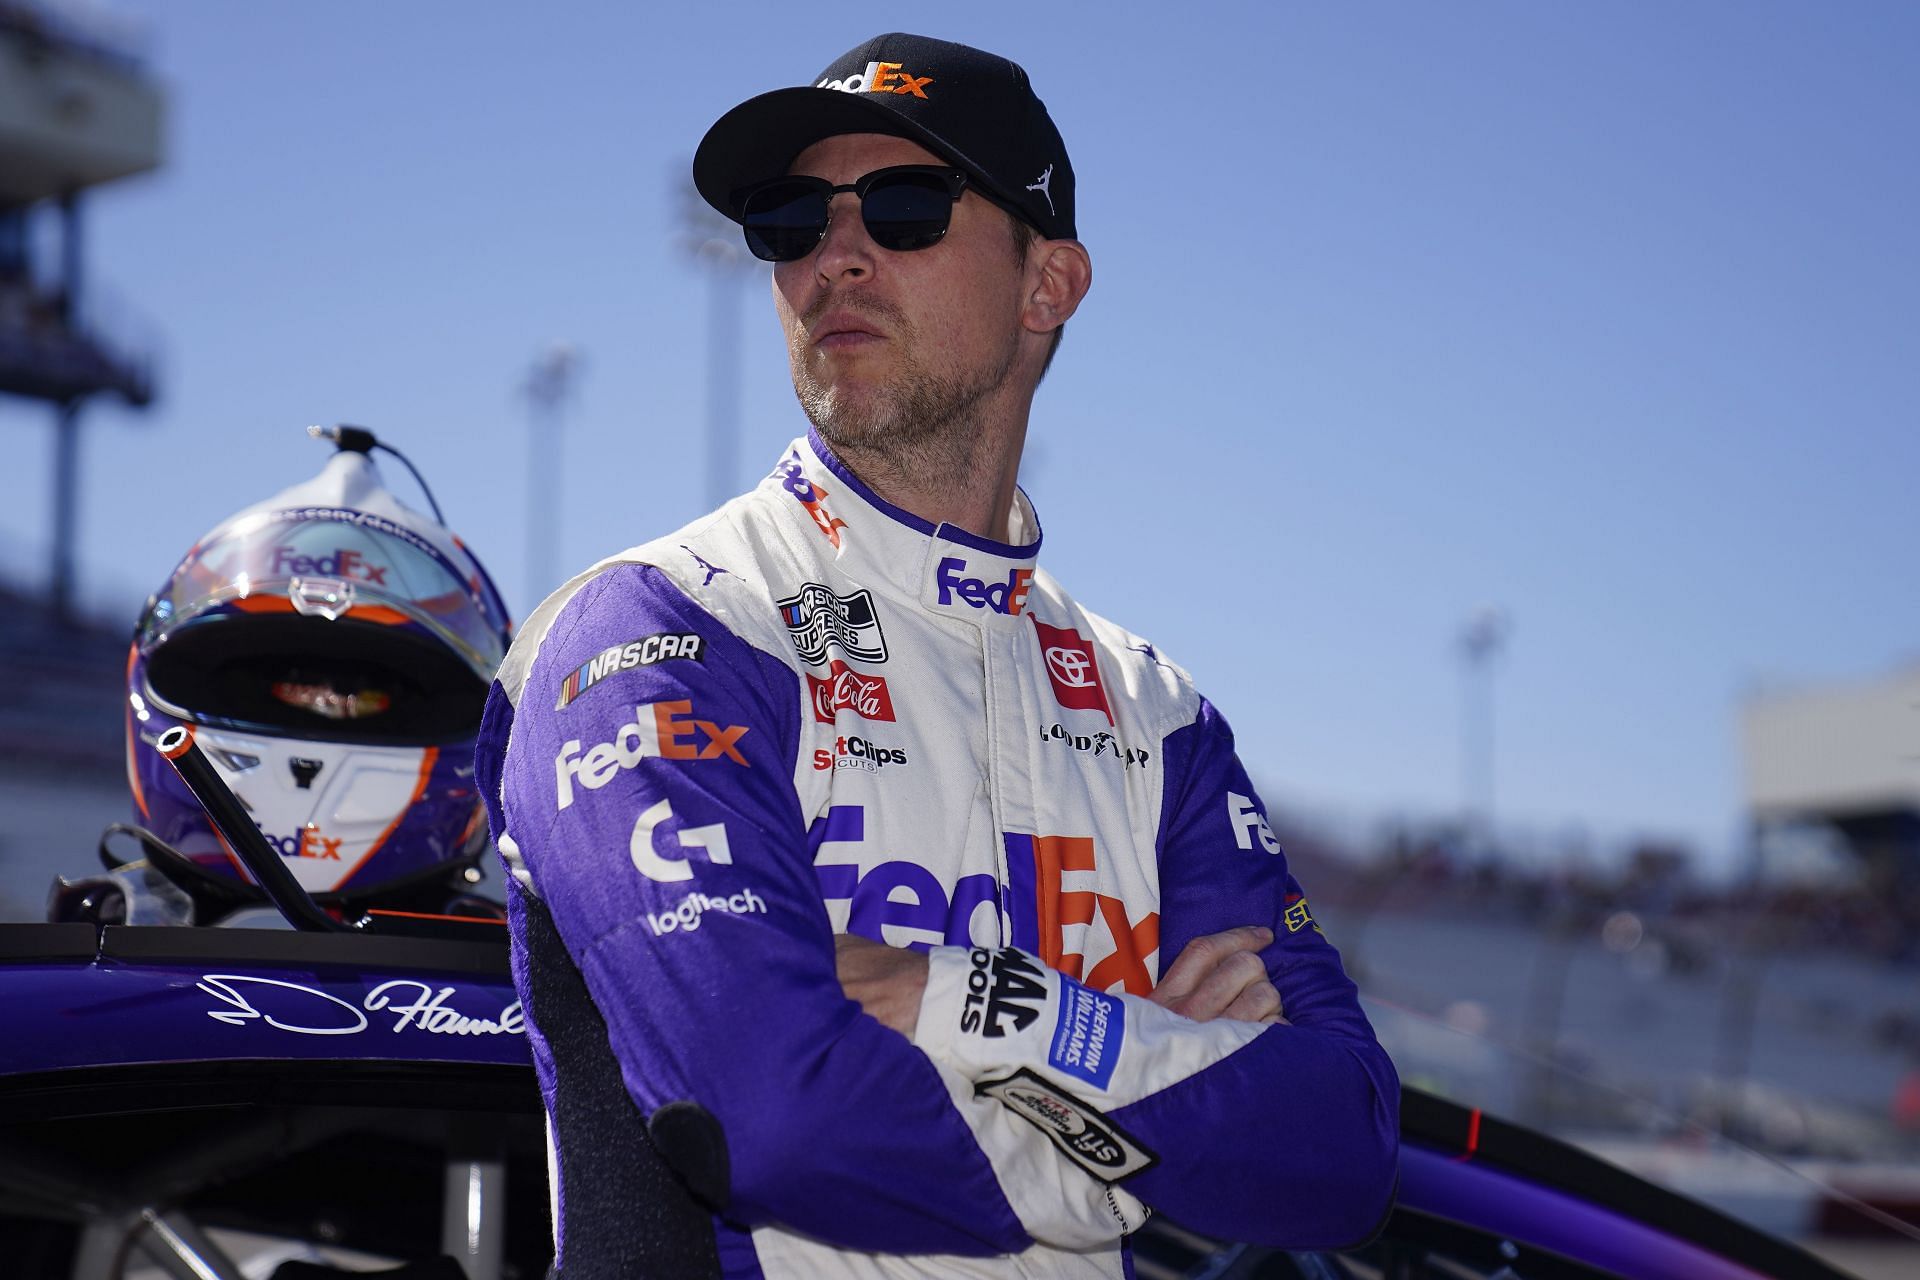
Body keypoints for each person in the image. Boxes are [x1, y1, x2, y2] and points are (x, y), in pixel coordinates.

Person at [474, 32, 1399, 1278]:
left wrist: (946, 994)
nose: (834, 256)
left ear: (1048, 285)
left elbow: (1338, 1142)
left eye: (906, 208)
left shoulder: (1155, 713)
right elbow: (773, 1115)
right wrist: (1140, 1121)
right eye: (791, 219)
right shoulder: (656, 631)